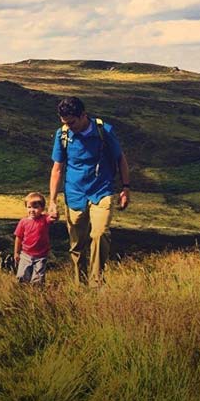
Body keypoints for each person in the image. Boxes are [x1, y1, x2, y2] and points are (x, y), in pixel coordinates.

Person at [48, 97, 131, 286]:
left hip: (102, 191)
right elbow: (57, 169)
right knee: (77, 245)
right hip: (75, 194)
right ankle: (80, 284)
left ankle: (96, 282)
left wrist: (125, 188)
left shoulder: (104, 131)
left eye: (72, 122)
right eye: (64, 123)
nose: (68, 126)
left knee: (100, 234)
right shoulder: (62, 135)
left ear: (83, 115)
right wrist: (52, 201)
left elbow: (120, 159)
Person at [14, 192, 53, 284]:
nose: (32, 210)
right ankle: (22, 293)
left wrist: (54, 211)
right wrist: (16, 252)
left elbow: (53, 217)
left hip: (41, 255)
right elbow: (18, 237)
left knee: (38, 279)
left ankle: (36, 294)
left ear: (42, 208)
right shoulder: (23, 222)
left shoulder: (44, 219)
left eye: (35, 207)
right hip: (26, 254)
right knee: (22, 276)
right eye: (29, 207)